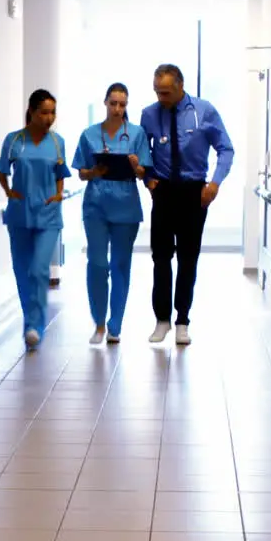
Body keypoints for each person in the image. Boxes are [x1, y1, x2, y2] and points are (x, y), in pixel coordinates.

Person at [140, 63, 235, 345]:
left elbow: (225, 149)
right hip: (164, 191)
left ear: (180, 87)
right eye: (157, 92)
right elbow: (141, 152)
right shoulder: (149, 114)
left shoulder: (204, 111)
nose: (162, 98)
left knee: (188, 257)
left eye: (166, 92)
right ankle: (162, 320)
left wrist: (215, 183)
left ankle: (182, 319)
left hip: (195, 191)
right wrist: (147, 179)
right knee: (160, 257)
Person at [72, 82, 152, 345]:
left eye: (123, 104)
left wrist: (136, 165)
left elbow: (144, 174)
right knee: (97, 263)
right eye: (113, 103)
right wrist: (94, 172)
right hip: (96, 204)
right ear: (105, 103)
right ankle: (97, 322)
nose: (118, 109)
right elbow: (81, 172)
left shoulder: (137, 133)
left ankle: (114, 324)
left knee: (120, 265)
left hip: (126, 205)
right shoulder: (89, 134)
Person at [0, 89, 71, 350]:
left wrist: (59, 194)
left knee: (40, 269)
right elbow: (2, 171)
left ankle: (36, 326)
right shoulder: (14, 140)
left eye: (53, 112)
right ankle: (29, 321)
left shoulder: (57, 141)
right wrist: (8, 192)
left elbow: (61, 171)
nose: (49, 118)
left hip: (49, 215)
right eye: (44, 112)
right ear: (31, 111)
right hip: (19, 214)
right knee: (22, 271)